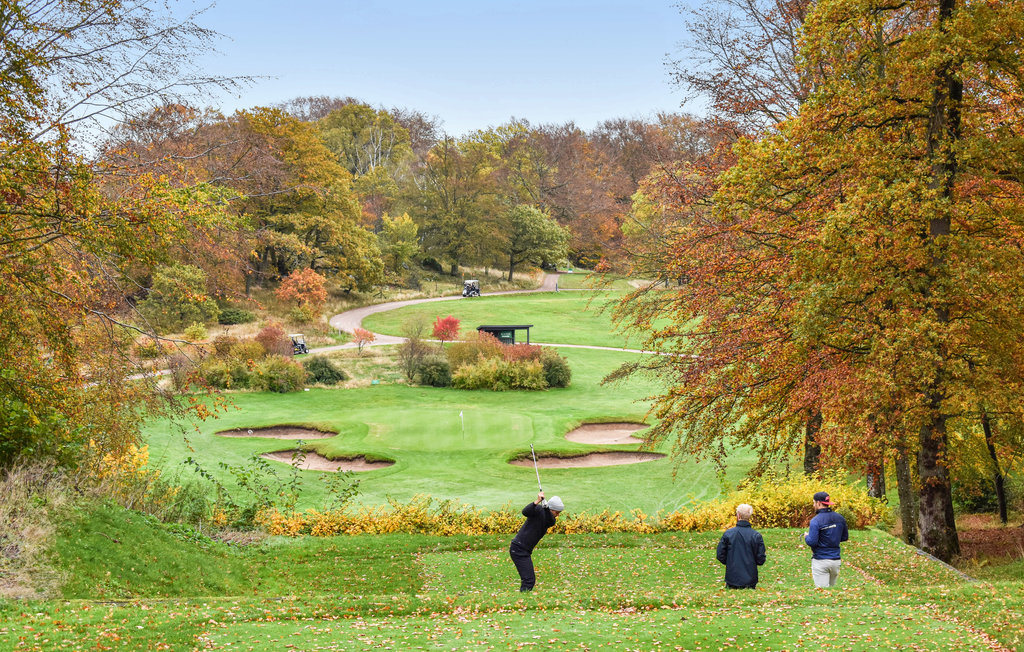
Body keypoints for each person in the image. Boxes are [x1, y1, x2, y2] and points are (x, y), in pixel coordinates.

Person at [509, 491, 563, 592]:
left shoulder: (550, 519)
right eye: (557, 512)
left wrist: (546, 508)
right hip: (518, 548)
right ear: (552, 509)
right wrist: (537, 501)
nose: (558, 515)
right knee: (529, 580)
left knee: (529, 579)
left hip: (524, 550)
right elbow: (525, 512)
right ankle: (523, 601)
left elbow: (549, 520)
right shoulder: (538, 509)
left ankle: (523, 599)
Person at [804, 491, 849, 588]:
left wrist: (806, 537)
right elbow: (845, 537)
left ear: (818, 503)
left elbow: (812, 542)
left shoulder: (816, 520)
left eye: (813, 503)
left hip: (821, 560)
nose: (813, 505)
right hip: (836, 561)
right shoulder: (840, 518)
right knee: (831, 592)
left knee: (823, 592)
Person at [715, 503, 766, 589]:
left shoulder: (728, 534)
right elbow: (761, 559)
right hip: (750, 580)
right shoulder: (756, 535)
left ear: (738, 516)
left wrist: (730, 562)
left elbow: (720, 555)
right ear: (749, 517)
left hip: (732, 579)